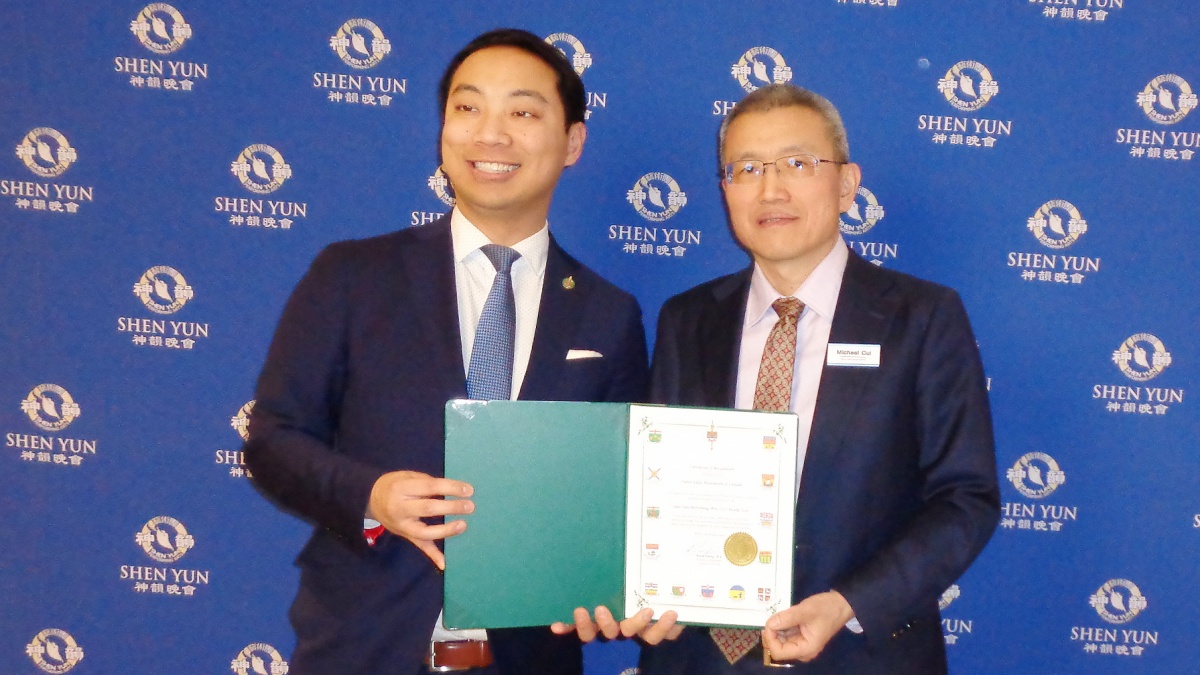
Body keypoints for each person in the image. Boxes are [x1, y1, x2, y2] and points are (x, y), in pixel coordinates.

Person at [244, 28, 648, 675]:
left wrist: (611, 584)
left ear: (573, 142)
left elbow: (620, 494)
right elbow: (273, 440)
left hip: (529, 656)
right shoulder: (353, 275)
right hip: (365, 646)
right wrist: (373, 495)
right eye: (468, 107)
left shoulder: (609, 313)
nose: (491, 134)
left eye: (522, 112)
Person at [561, 83, 999, 673]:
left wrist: (846, 605)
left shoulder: (921, 318)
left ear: (846, 184)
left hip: (859, 655)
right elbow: (650, 486)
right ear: (725, 189)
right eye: (746, 169)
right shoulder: (687, 319)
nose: (771, 189)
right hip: (697, 658)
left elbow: (965, 499)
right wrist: (627, 584)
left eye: (797, 163)